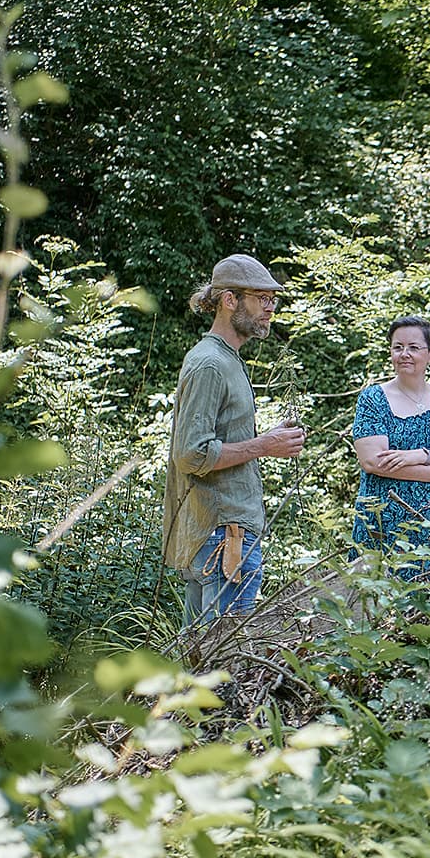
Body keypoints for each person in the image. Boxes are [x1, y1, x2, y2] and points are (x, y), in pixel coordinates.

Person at [164, 254, 306, 628]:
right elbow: (191, 454)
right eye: (261, 298)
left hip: (218, 531)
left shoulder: (226, 359)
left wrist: (266, 440)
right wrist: (265, 445)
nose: (270, 308)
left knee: (197, 659)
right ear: (230, 300)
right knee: (223, 661)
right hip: (224, 535)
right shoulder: (210, 363)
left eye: (272, 300)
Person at [350, 316, 430, 586]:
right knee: (381, 602)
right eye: (398, 347)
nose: (404, 354)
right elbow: (373, 461)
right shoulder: (373, 399)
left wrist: (421, 454)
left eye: (413, 347)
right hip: (386, 517)